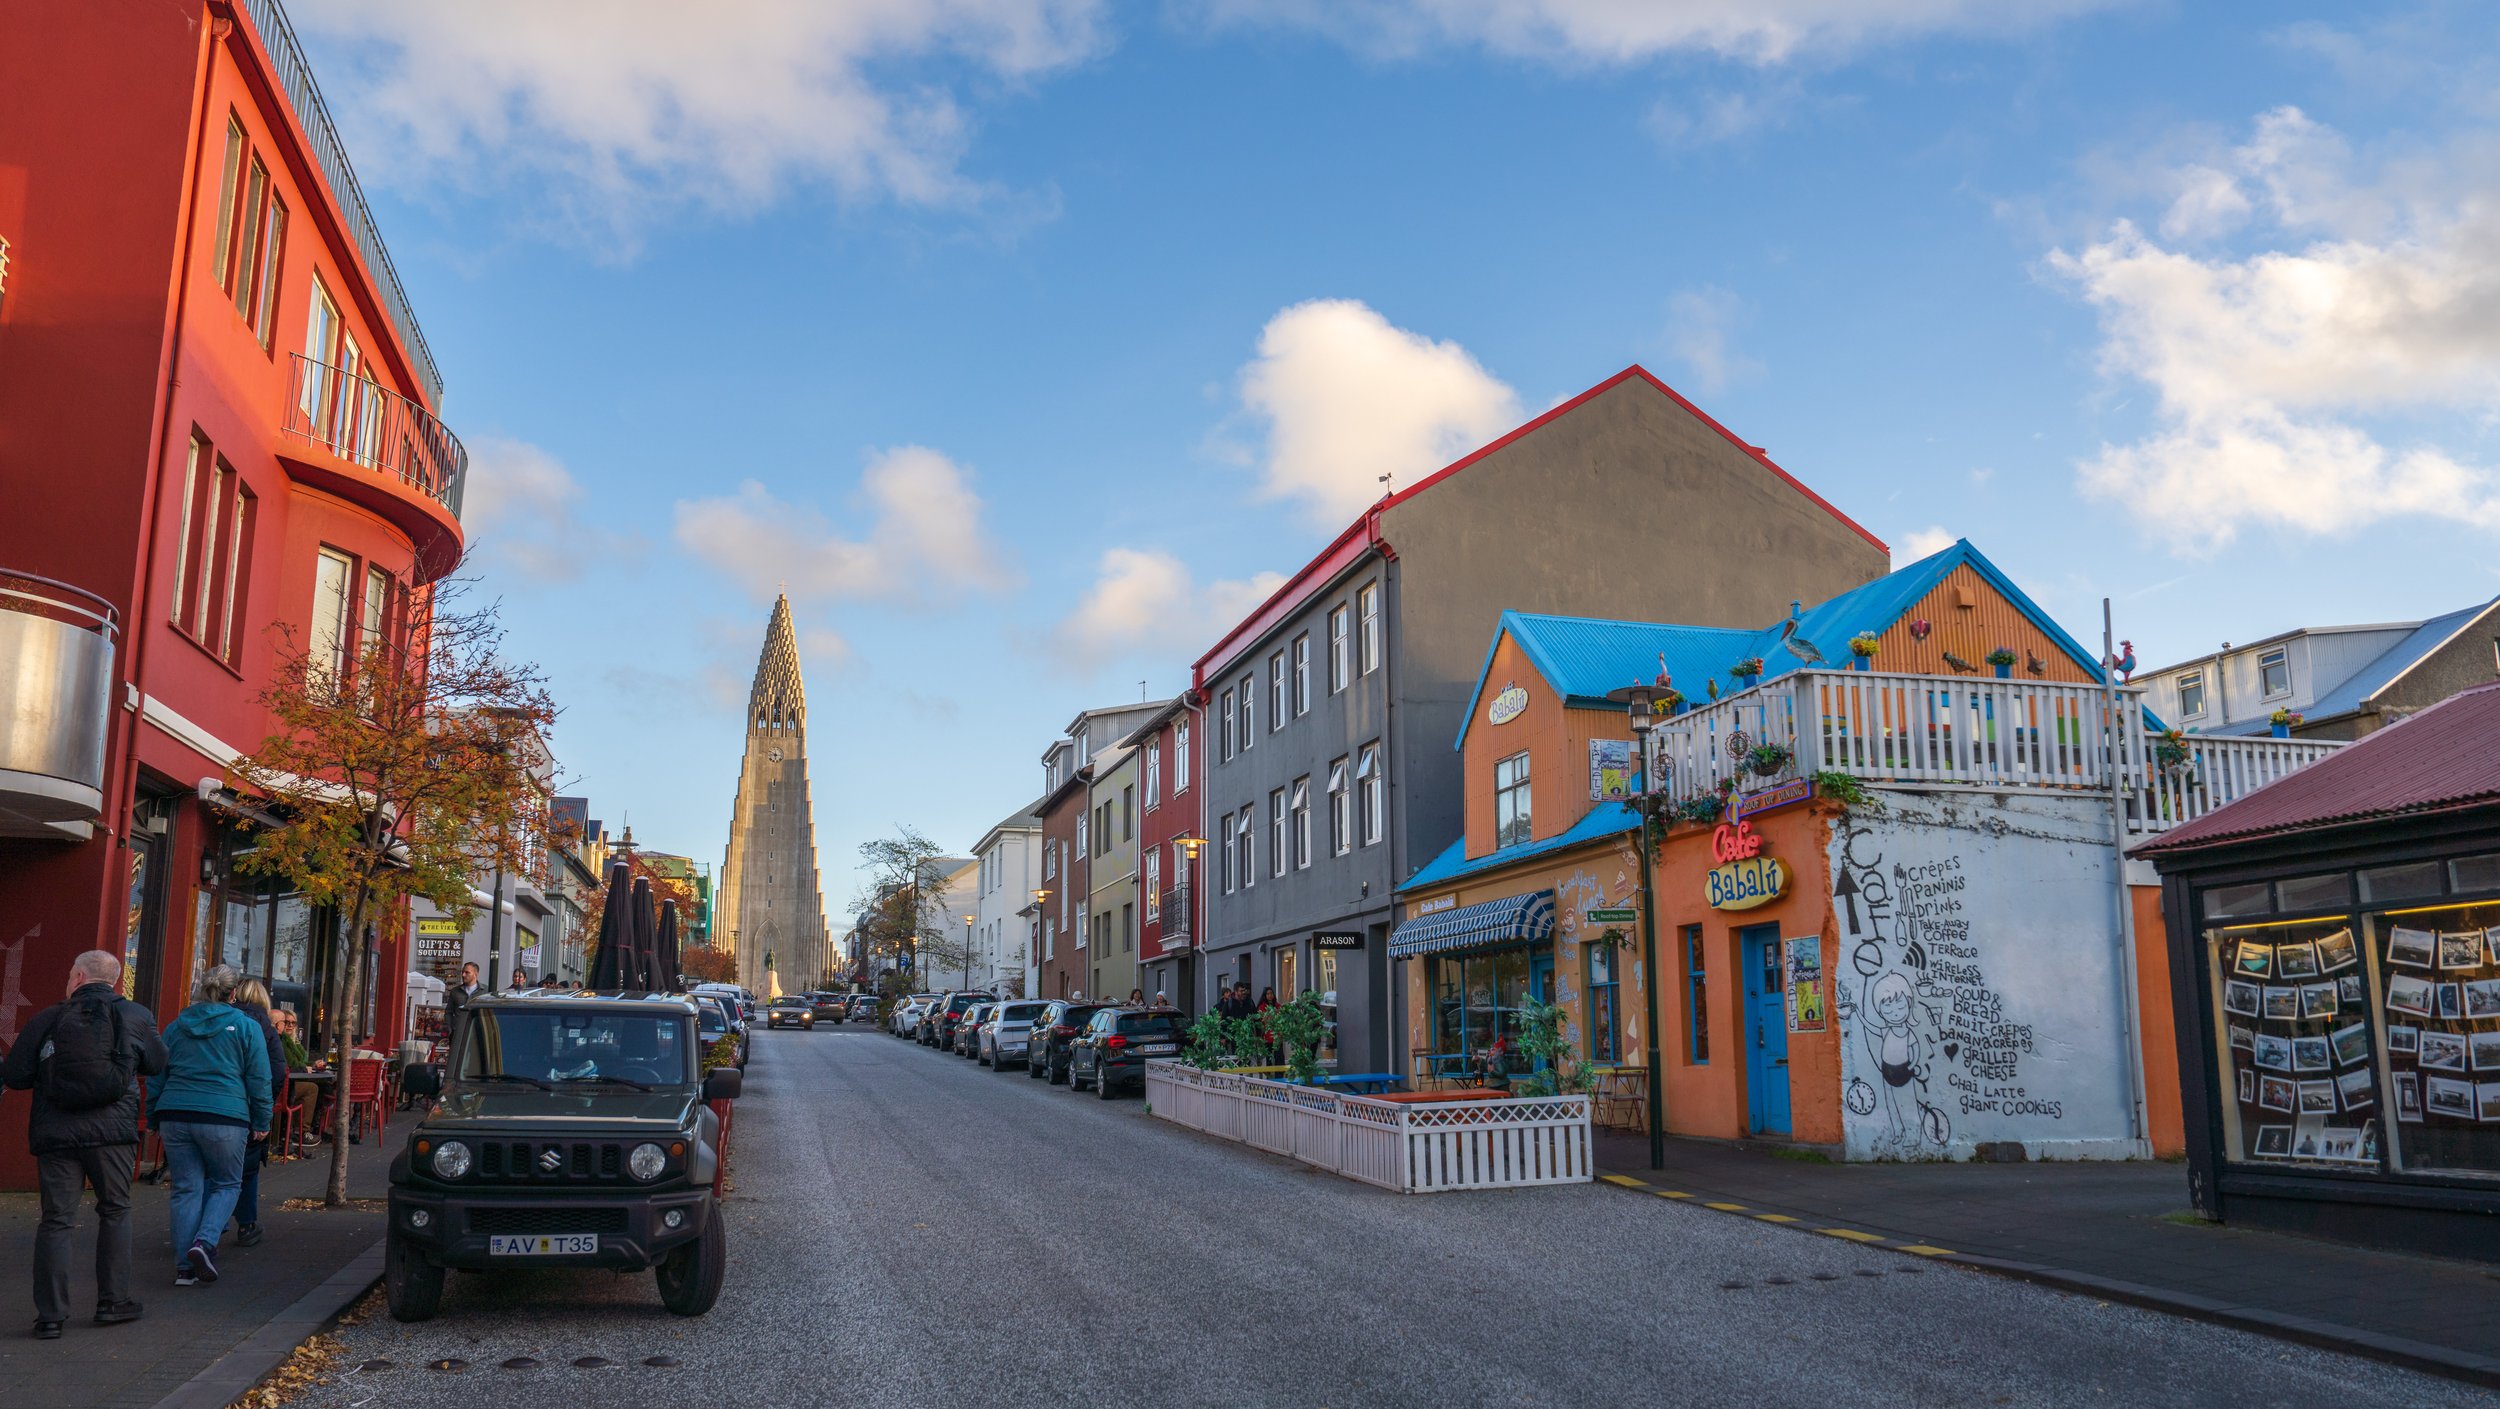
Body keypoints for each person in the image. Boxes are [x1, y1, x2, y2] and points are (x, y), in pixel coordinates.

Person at [2, 950, 167, 1340]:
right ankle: (112, 1302)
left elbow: (16, 1074)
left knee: (56, 1220)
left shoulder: (49, 1017)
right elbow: (159, 1064)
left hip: (56, 1133)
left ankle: (50, 1316)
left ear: (77, 976)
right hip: (112, 1134)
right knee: (115, 1211)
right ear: (115, 980)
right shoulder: (136, 1016)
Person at [149, 966, 270, 1287]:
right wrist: (262, 1120)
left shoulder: (176, 1026)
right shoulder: (246, 1027)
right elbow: (259, 1078)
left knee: (186, 1188)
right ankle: (203, 1243)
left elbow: (159, 1073)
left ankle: (183, 1269)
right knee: (227, 1183)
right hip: (225, 1116)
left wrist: (153, 1115)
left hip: (175, 1113)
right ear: (233, 994)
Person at [227, 979, 287, 1248]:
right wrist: (265, 1106)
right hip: (248, 1105)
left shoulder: (224, 1019)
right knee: (247, 1168)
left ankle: (206, 1225)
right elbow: (275, 1071)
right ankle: (246, 1224)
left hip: (220, 1102)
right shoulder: (264, 1026)